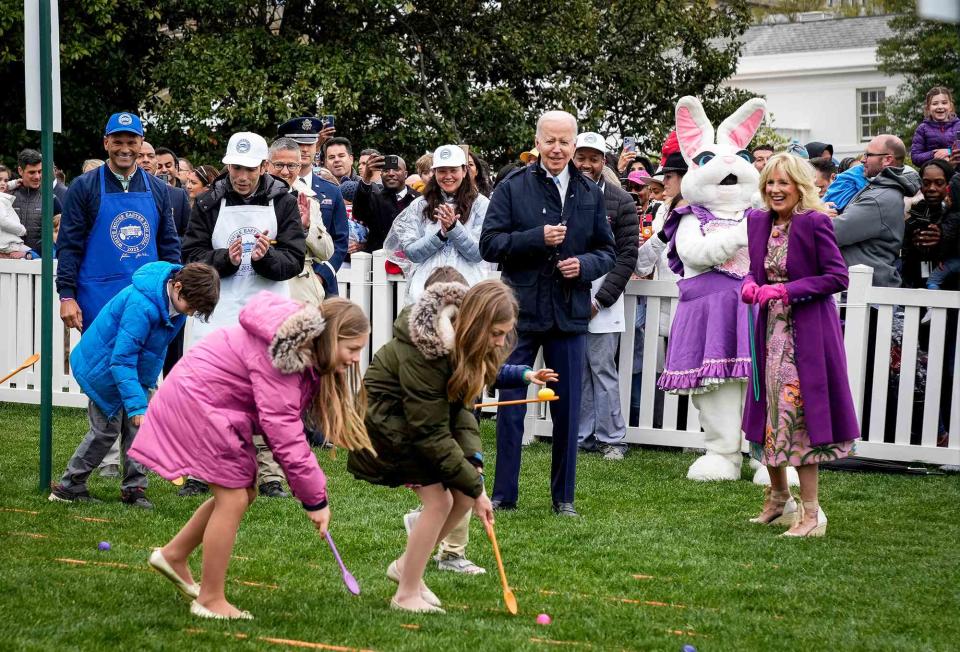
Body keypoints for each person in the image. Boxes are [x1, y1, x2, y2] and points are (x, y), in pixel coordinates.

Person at [130, 292, 374, 620]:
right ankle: (210, 599)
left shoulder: (297, 349)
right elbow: (285, 435)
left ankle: (174, 555)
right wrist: (316, 500)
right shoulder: (285, 359)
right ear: (331, 338)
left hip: (211, 403)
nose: (357, 359)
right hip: (200, 402)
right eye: (353, 349)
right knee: (232, 499)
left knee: (244, 491)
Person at [348, 280, 522, 613]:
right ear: (476, 324)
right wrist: (477, 487)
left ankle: (405, 567)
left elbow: (462, 410)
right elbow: (430, 431)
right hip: (386, 426)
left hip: (415, 424)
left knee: (461, 496)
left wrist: (473, 464)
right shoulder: (427, 350)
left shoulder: (466, 346)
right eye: (496, 333)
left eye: (505, 334)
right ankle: (406, 594)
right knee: (440, 501)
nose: (500, 342)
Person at [480, 110, 616, 516]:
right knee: (511, 406)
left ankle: (564, 499)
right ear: (537, 142)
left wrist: (585, 267)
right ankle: (504, 495)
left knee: (567, 410)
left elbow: (607, 251)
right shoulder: (513, 186)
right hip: (519, 314)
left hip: (569, 313)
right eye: (550, 141)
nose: (557, 149)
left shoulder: (591, 192)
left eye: (565, 142)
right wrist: (535, 239)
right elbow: (490, 244)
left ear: (575, 145)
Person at [180, 132, 305, 499]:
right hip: (217, 309)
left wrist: (266, 258)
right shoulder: (206, 202)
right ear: (227, 165)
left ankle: (269, 474)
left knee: (269, 393)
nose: (243, 176)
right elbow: (191, 256)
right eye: (236, 168)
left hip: (265, 309)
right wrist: (225, 260)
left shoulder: (283, 201)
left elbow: (294, 260)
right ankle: (201, 471)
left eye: (250, 169)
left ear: (264, 166)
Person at [741, 153, 860, 537]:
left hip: (806, 334)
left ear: (799, 186)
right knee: (767, 414)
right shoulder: (758, 221)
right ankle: (779, 498)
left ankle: (812, 515)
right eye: (769, 184)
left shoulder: (815, 222)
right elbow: (755, 270)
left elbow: (837, 276)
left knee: (798, 416)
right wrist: (749, 282)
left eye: (783, 183)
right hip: (769, 333)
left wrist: (786, 290)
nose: (775, 190)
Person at [48, 261, 219, 508]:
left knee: (139, 432)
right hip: (103, 369)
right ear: (178, 287)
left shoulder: (177, 309)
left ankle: (134, 488)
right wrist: (137, 407)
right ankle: (69, 486)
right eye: (191, 306)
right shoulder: (142, 305)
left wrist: (147, 388)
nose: (191, 313)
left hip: (133, 371)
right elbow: (121, 359)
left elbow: (154, 350)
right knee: (105, 431)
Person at [572, 132, 638, 460]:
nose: (586, 164)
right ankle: (582, 437)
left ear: (603, 162)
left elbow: (627, 257)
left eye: (593, 158)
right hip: (568, 297)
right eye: (580, 157)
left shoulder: (621, 201)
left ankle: (612, 438)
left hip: (604, 302)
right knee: (577, 370)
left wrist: (600, 300)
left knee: (602, 368)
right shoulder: (560, 194)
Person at [385, 145, 489, 306]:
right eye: (442, 171)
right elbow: (412, 252)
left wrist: (454, 228)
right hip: (425, 290)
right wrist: (440, 235)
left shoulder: (481, 204)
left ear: (464, 170)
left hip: (468, 290)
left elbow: (478, 253)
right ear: (435, 173)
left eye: (453, 170)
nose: (448, 176)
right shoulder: (420, 205)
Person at [832, 135, 919, 288]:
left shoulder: (879, 199)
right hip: (863, 289)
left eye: (868, 155)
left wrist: (815, 218)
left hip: (868, 294)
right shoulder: (881, 191)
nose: (863, 160)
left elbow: (834, 232)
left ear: (887, 159)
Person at [278, 117, 349, 296]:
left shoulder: (331, 190)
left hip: (321, 282)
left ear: (316, 146)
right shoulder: (274, 189)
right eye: (298, 143)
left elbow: (340, 241)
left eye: (309, 144)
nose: (304, 149)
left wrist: (321, 275)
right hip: (283, 279)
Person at [267, 137, 334, 307]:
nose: (285, 172)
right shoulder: (252, 198)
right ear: (267, 165)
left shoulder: (309, 200)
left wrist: (307, 227)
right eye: (279, 165)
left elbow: (326, 252)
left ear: (299, 166)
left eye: (291, 166)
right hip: (263, 288)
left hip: (300, 291)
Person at [902, 159, 959, 290]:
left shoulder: (955, 214)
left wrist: (943, 238)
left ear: (949, 185)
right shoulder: (916, 213)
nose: (931, 189)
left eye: (939, 183)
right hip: (920, 288)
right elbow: (905, 259)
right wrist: (916, 243)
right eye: (926, 183)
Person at [353, 153, 418, 254]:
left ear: (405, 174)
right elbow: (359, 213)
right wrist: (366, 178)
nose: (391, 173)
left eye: (396, 169)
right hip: (379, 262)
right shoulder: (374, 198)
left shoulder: (419, 200)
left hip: (412, 261)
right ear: (381, 174)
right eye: (386, 170)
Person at [11, 148, 63, 255]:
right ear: (20, 171)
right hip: (9, 265)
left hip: (41, 265)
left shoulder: (52, 199)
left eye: (40, 171)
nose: (37, 176)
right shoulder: (8, 197)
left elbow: (62, 234)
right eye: (32, 172)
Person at [910, 86, 960, 166]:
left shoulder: (958, 126)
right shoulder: (922, 129)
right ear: (928, 108)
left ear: (950, 106)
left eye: (944, 103)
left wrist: (949, 151)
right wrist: (934, 154)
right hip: (933, 174)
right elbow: (915, 157)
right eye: (935, 104)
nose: (940, 107)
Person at [0, 191, 32, 259]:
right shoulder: (1, 200)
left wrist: (15, 183)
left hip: (7, 245)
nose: (3, 183)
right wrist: (22, 230)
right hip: (9, 245)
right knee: (34, 255)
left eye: (5, 181)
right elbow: (3, 221)